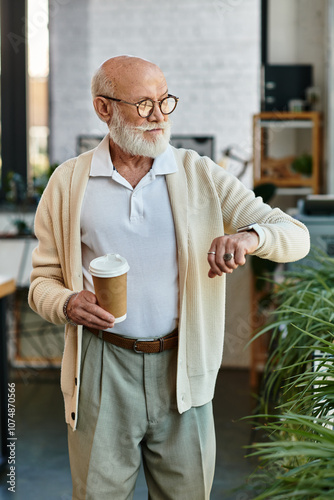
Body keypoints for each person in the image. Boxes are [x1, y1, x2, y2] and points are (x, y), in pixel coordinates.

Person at [29, 55, 310, 500]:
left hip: (184, 368)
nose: (159, 116)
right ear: (104, 109)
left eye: (165, 101)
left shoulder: (199, 174)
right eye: (143, 104)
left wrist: (250, 238)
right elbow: (41, 280)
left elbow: (295, 236)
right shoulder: (68, 183)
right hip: (102, 367)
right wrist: (66, 303)